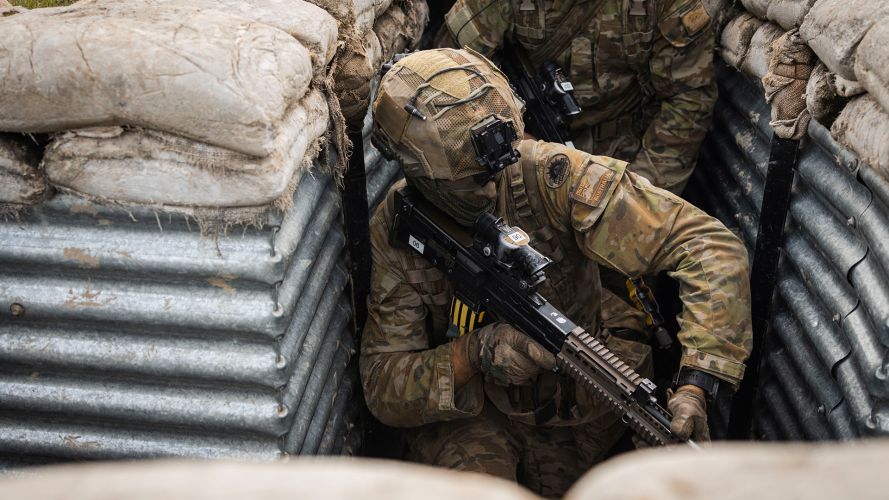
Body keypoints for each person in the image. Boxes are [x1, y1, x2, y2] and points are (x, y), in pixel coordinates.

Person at [360, 48, 750, 497]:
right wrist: (474, 354)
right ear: (418, 172)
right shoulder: (398, 230)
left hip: (589, 403)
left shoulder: (548, 176)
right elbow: (382, 383)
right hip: (483, 421)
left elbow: (708, 246)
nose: (492, 186)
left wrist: (696, 385)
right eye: (471, 180)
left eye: (499, 167)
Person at [441, 0, 717, 196]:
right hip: (517, 148)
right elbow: (447, 74)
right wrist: (515, 140)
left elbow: (688, 100)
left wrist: (642, 192)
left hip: (621, 158)